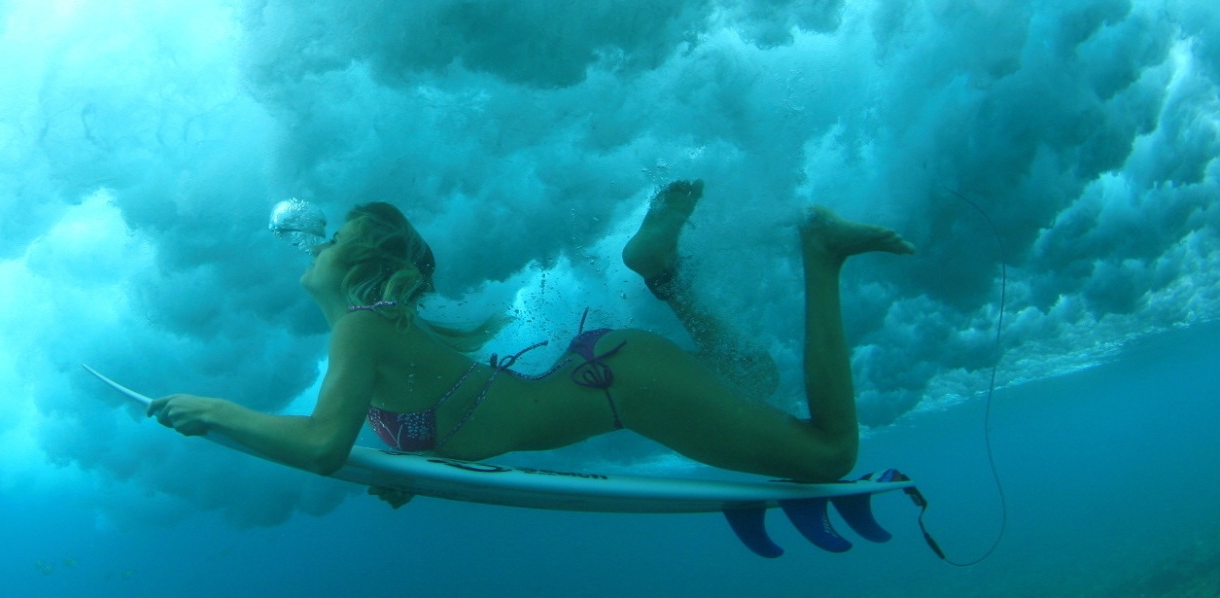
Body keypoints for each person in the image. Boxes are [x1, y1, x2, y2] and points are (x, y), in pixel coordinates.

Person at [146, 181, 914, 491]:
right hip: (613, 375)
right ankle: (662, 271)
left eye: (333, 235)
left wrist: (215, 410)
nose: (312, 240)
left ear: (362, 267)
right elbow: (447, 424)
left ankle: (821, 250)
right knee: (754, 375)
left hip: (623, 384)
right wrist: (414, 478)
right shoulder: (371, 335)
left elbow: (322, 447)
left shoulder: (360, 331)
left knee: (829, 454)